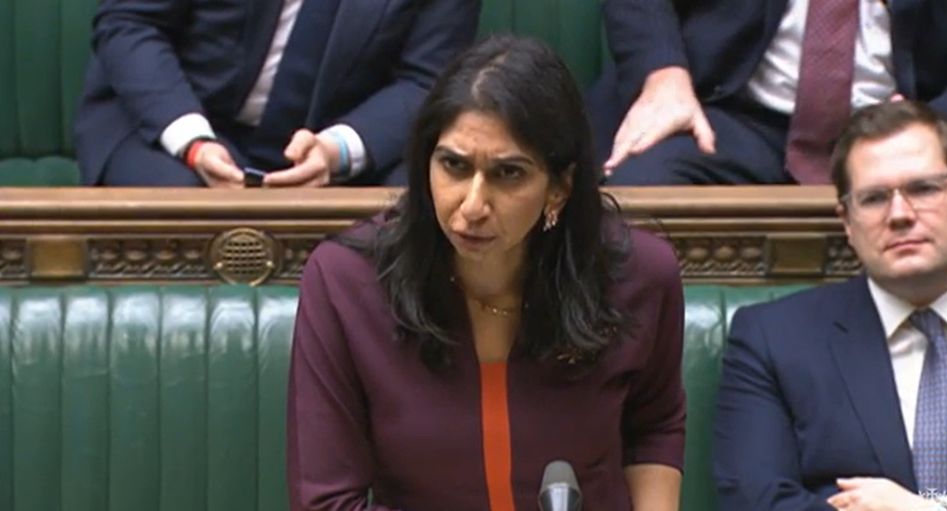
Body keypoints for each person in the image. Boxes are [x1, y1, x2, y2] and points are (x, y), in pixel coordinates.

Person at [287, 36, 686, 510]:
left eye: (508, 174)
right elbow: (327, 501)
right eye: (453, 165)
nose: (472, 206)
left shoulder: (640, 277)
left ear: (559, 188)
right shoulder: (345, 283)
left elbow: (653, 426)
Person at [713, 100, 947, 510]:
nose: (900, 215)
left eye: (924, 189)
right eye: (874, 198)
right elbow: (756, 501)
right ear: (847, 222)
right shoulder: (774, 339)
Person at [74, 0, 478, 187]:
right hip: (167, 123)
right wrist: (193, 141)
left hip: (334, 146)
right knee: (187, 210)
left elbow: (426, 80)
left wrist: (336, 150)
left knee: (419, 204)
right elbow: (130, 22)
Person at [591, 0, 947, 185]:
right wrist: (663, 73)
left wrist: (939, 124)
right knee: (642, 192)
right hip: (727, 112)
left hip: (903, 125)